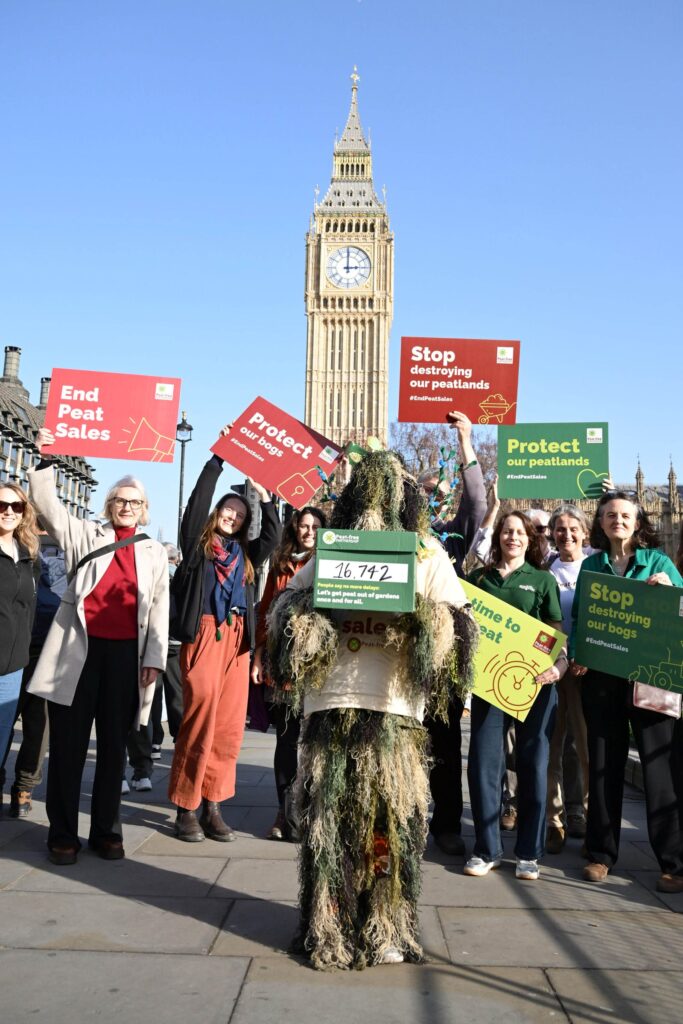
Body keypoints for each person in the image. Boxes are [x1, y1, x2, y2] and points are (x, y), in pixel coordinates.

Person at [268, 450, 477, 969]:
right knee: (330, 825)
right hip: (333, 703)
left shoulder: (427, 553)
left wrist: (419, 619)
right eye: (366, 489)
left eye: (388, 490)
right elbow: (282, 612)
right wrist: (311, 617)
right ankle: (329, 922)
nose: (376, 501)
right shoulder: (330, 550)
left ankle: (386, 921)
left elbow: (462, 626)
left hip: (394, 710)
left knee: (387, 824)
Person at [27, 428, 168, 865]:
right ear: (109, 505)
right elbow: (47, 506)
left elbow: (160, 608)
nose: (127, 506)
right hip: (78, 653)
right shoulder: (85, 535)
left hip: (126, 657)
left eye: (135, 502)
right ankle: (62, 834)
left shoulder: (154, 552)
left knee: (113, 748)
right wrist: (46, 456)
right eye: (120, 499)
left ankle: (107, 831)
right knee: (67, 748)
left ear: (145, 511)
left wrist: (154, 662)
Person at [168, 430, 281, 842]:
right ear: (216, 515)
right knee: (198, 720)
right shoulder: (198, 547)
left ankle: (214, 805)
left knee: (230, 726)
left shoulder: (246, 557)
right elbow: (197, 504)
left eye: (238, 514)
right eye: (226, 512)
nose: (232, 517)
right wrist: (217, 459)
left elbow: (273, 537)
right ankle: (186, 807)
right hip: (204, 635)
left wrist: (265, 497)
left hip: (236, 641)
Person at [569, 491, 683, 893]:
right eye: (610, 515)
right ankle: (601, 854)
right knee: (602, 764)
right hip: (602, 677)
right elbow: (580, 616)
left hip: (650, 678)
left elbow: (680, 611)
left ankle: (672, 862)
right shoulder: (592, 567)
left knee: (659, 769)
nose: (618, 521)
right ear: (600, 523)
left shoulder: (658, 562)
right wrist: (580, 652)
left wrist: (669, 589)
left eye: (625, 515)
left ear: (638, 523)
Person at [465, 510, 565, 881]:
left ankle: (528, 854)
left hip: (535, 684)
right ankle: (486, 848)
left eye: (519, 532)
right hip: (490, 686)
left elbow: (554, 631)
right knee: (483, 766)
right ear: (498, 538)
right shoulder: (479, 579)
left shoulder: (542, 580)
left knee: (533, 766)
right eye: (506, 532)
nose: (513, 538)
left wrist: (557, 665)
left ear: (530, 539)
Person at [417, 410, 487, 857]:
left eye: (440, 495)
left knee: (443, 740)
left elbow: (478, 503)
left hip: (442, 652)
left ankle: (445, 824)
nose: (433, 501)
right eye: (426, 494)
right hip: (397, 649)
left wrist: (465, 442)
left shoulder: (454, 539)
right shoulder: (396, 536)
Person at [251, 505, 327, 841]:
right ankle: (285, 812)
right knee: (286, 740)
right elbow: (266, 610)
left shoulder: (330, 562)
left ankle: (312, 812)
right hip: (283, 666)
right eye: (304, 525)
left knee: (315, 743)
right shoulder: (280, 564)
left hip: (319, 666)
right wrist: (258, 655)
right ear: (295, 529)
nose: (308, 531)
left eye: (315, 526)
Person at [0, 531, 66, 817]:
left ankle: (20, 786)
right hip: (27, 646)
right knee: (26, 724)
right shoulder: (22, 546)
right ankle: (20, 787)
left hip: (35, 648)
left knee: (28, 724)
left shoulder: (47, 545)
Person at [544, 505, 591, 852]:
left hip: (586, 667)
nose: (567, 534)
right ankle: (553, 819)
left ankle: (580, 811)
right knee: (551, 744)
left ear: (585, 532)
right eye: (560, 529)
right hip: (550, 666)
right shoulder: (544, 568)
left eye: (573, 528)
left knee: (584, 745)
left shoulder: (597, 567)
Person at [0, 483, 40, 810]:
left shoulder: (27, 554)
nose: (9, 511)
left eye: (17, 506)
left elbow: (27, 608)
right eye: (2, 505)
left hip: (14, 666)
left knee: (1, 740)